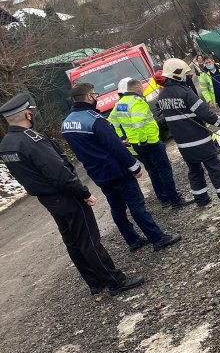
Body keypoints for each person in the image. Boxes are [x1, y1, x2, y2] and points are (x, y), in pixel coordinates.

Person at [0, 93, 144, 296]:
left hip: (48, 199)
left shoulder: (6, 144)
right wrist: (83, 192)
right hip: (65, 195)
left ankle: (94, 283)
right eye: (31, 111)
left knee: (73, 241)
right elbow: (58, 172)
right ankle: (115, 281)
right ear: (27, 114)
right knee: (89, 239)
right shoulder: (32, 140)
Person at [61, 83, 182, 253]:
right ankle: (157, 238)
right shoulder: (94, 119)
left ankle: (132, 240)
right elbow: (113, 147)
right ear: (89, 97)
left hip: (97, 173)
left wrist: (117, 142)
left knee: (116, 206)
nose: (96, 98)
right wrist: (134, 166)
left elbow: (93, 145)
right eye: (94, 95)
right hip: (116, 170)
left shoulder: (66, 123)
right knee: (136, 204)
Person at [158, 58, 220, 206]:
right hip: (200, 140)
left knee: (194, 171)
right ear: (177, 74)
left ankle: (201, 199)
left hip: (183, 144)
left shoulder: (162, 95)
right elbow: (205, 113)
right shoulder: (185, 92)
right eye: (186, 74)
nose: (189, 76)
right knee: (214, 167)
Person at [111, 78, 189, 208]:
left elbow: (112, 122)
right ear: (138, 88)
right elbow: (138, 124)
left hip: (136, 145)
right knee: (164, 170)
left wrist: (122, 138)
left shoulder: (119, 104)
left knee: (153, 171)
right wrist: (143, 140)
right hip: (149, 142)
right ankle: (175, 199)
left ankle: (164, 199)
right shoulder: (137, 102)